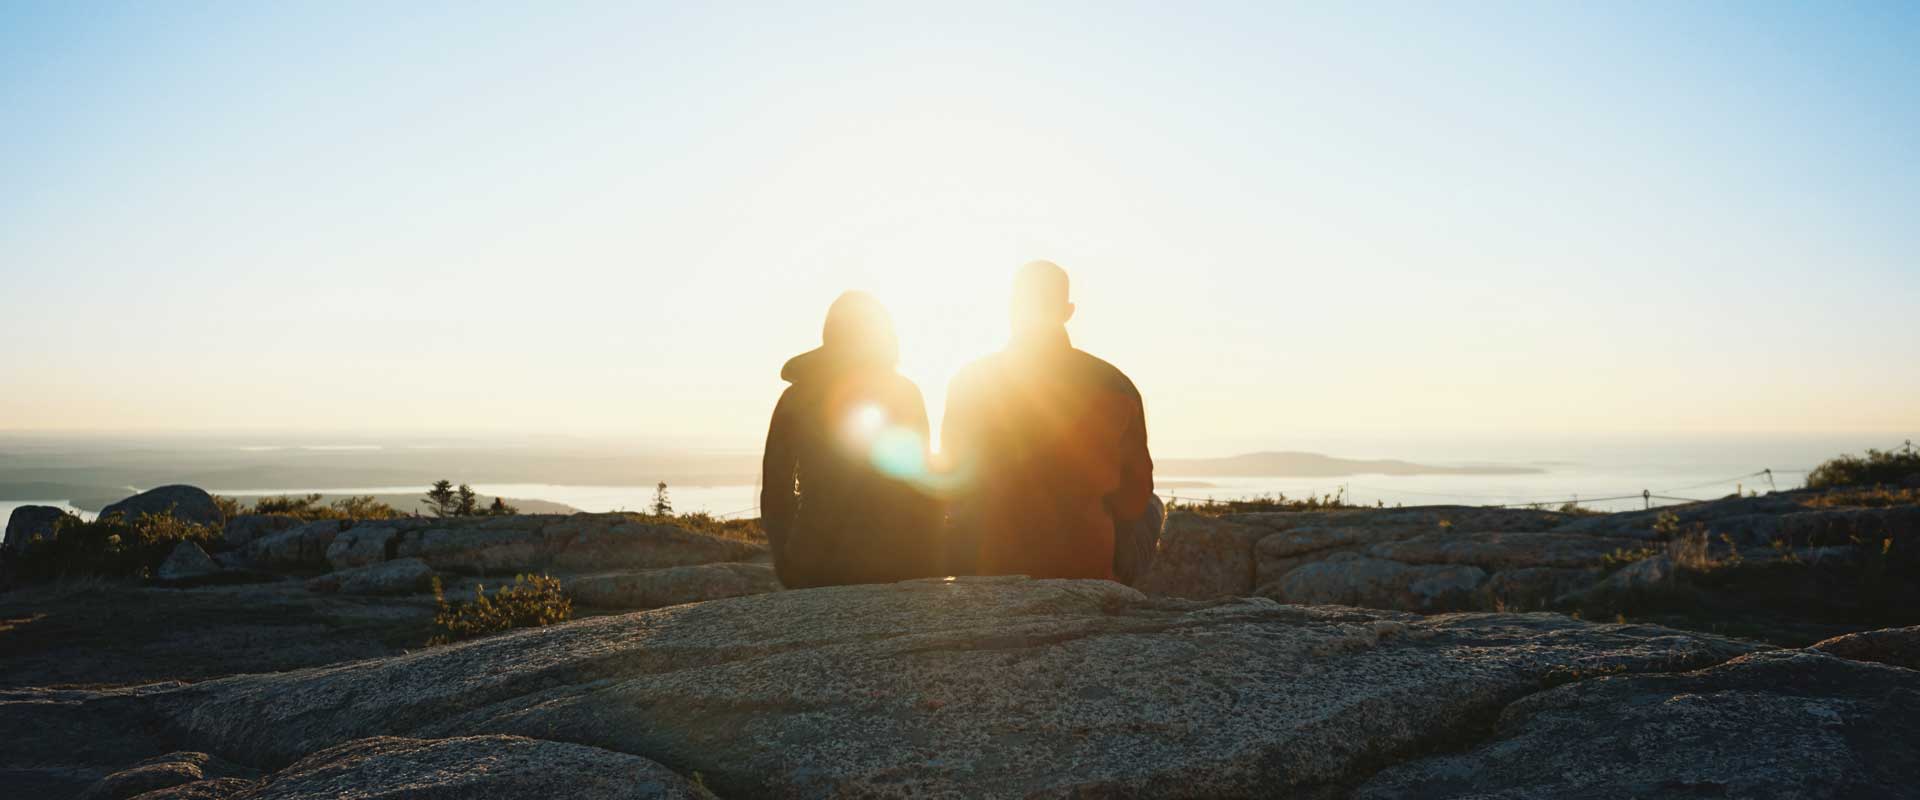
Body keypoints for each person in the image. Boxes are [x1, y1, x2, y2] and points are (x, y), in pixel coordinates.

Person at [941, 261, 1161, 583]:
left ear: (1013, 308)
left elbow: (952, 482)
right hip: (1084, 564)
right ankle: (1121, 596)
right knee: (1153, 506)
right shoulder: (1115, 384)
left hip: (990, 561)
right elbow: (1134, 495)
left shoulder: (970, 382)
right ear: (1068, 311)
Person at [761, 291, 943, 588]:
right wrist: (927, 566)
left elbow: (774, 495)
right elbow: (925, 489)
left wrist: (788, 563)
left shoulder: (795, 398)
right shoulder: (904, 393)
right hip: (896, 561)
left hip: (815, 563)